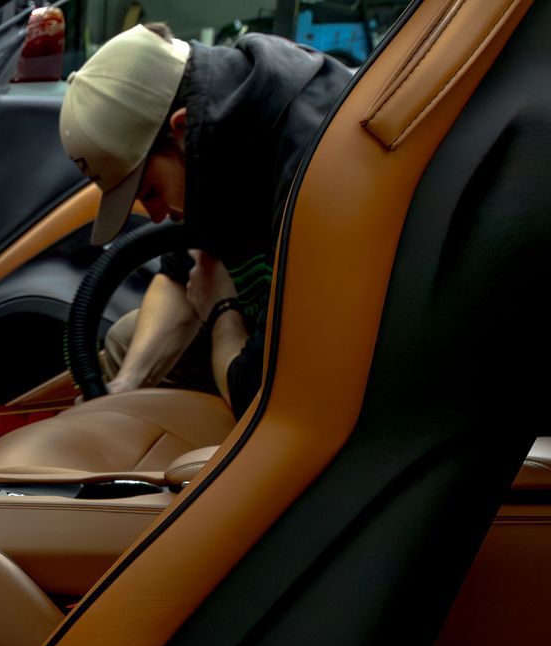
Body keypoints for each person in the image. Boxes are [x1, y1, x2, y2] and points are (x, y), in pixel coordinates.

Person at [60, 23, 350, 408]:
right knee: (124, 340)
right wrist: (126, 385)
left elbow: (259, 394)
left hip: (329, 367)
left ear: (180, 127)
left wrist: (221, 311)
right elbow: (181, 274)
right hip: (269, 326)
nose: (157, 216)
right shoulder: (216, 131)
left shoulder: (309, 170)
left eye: (150, 192)